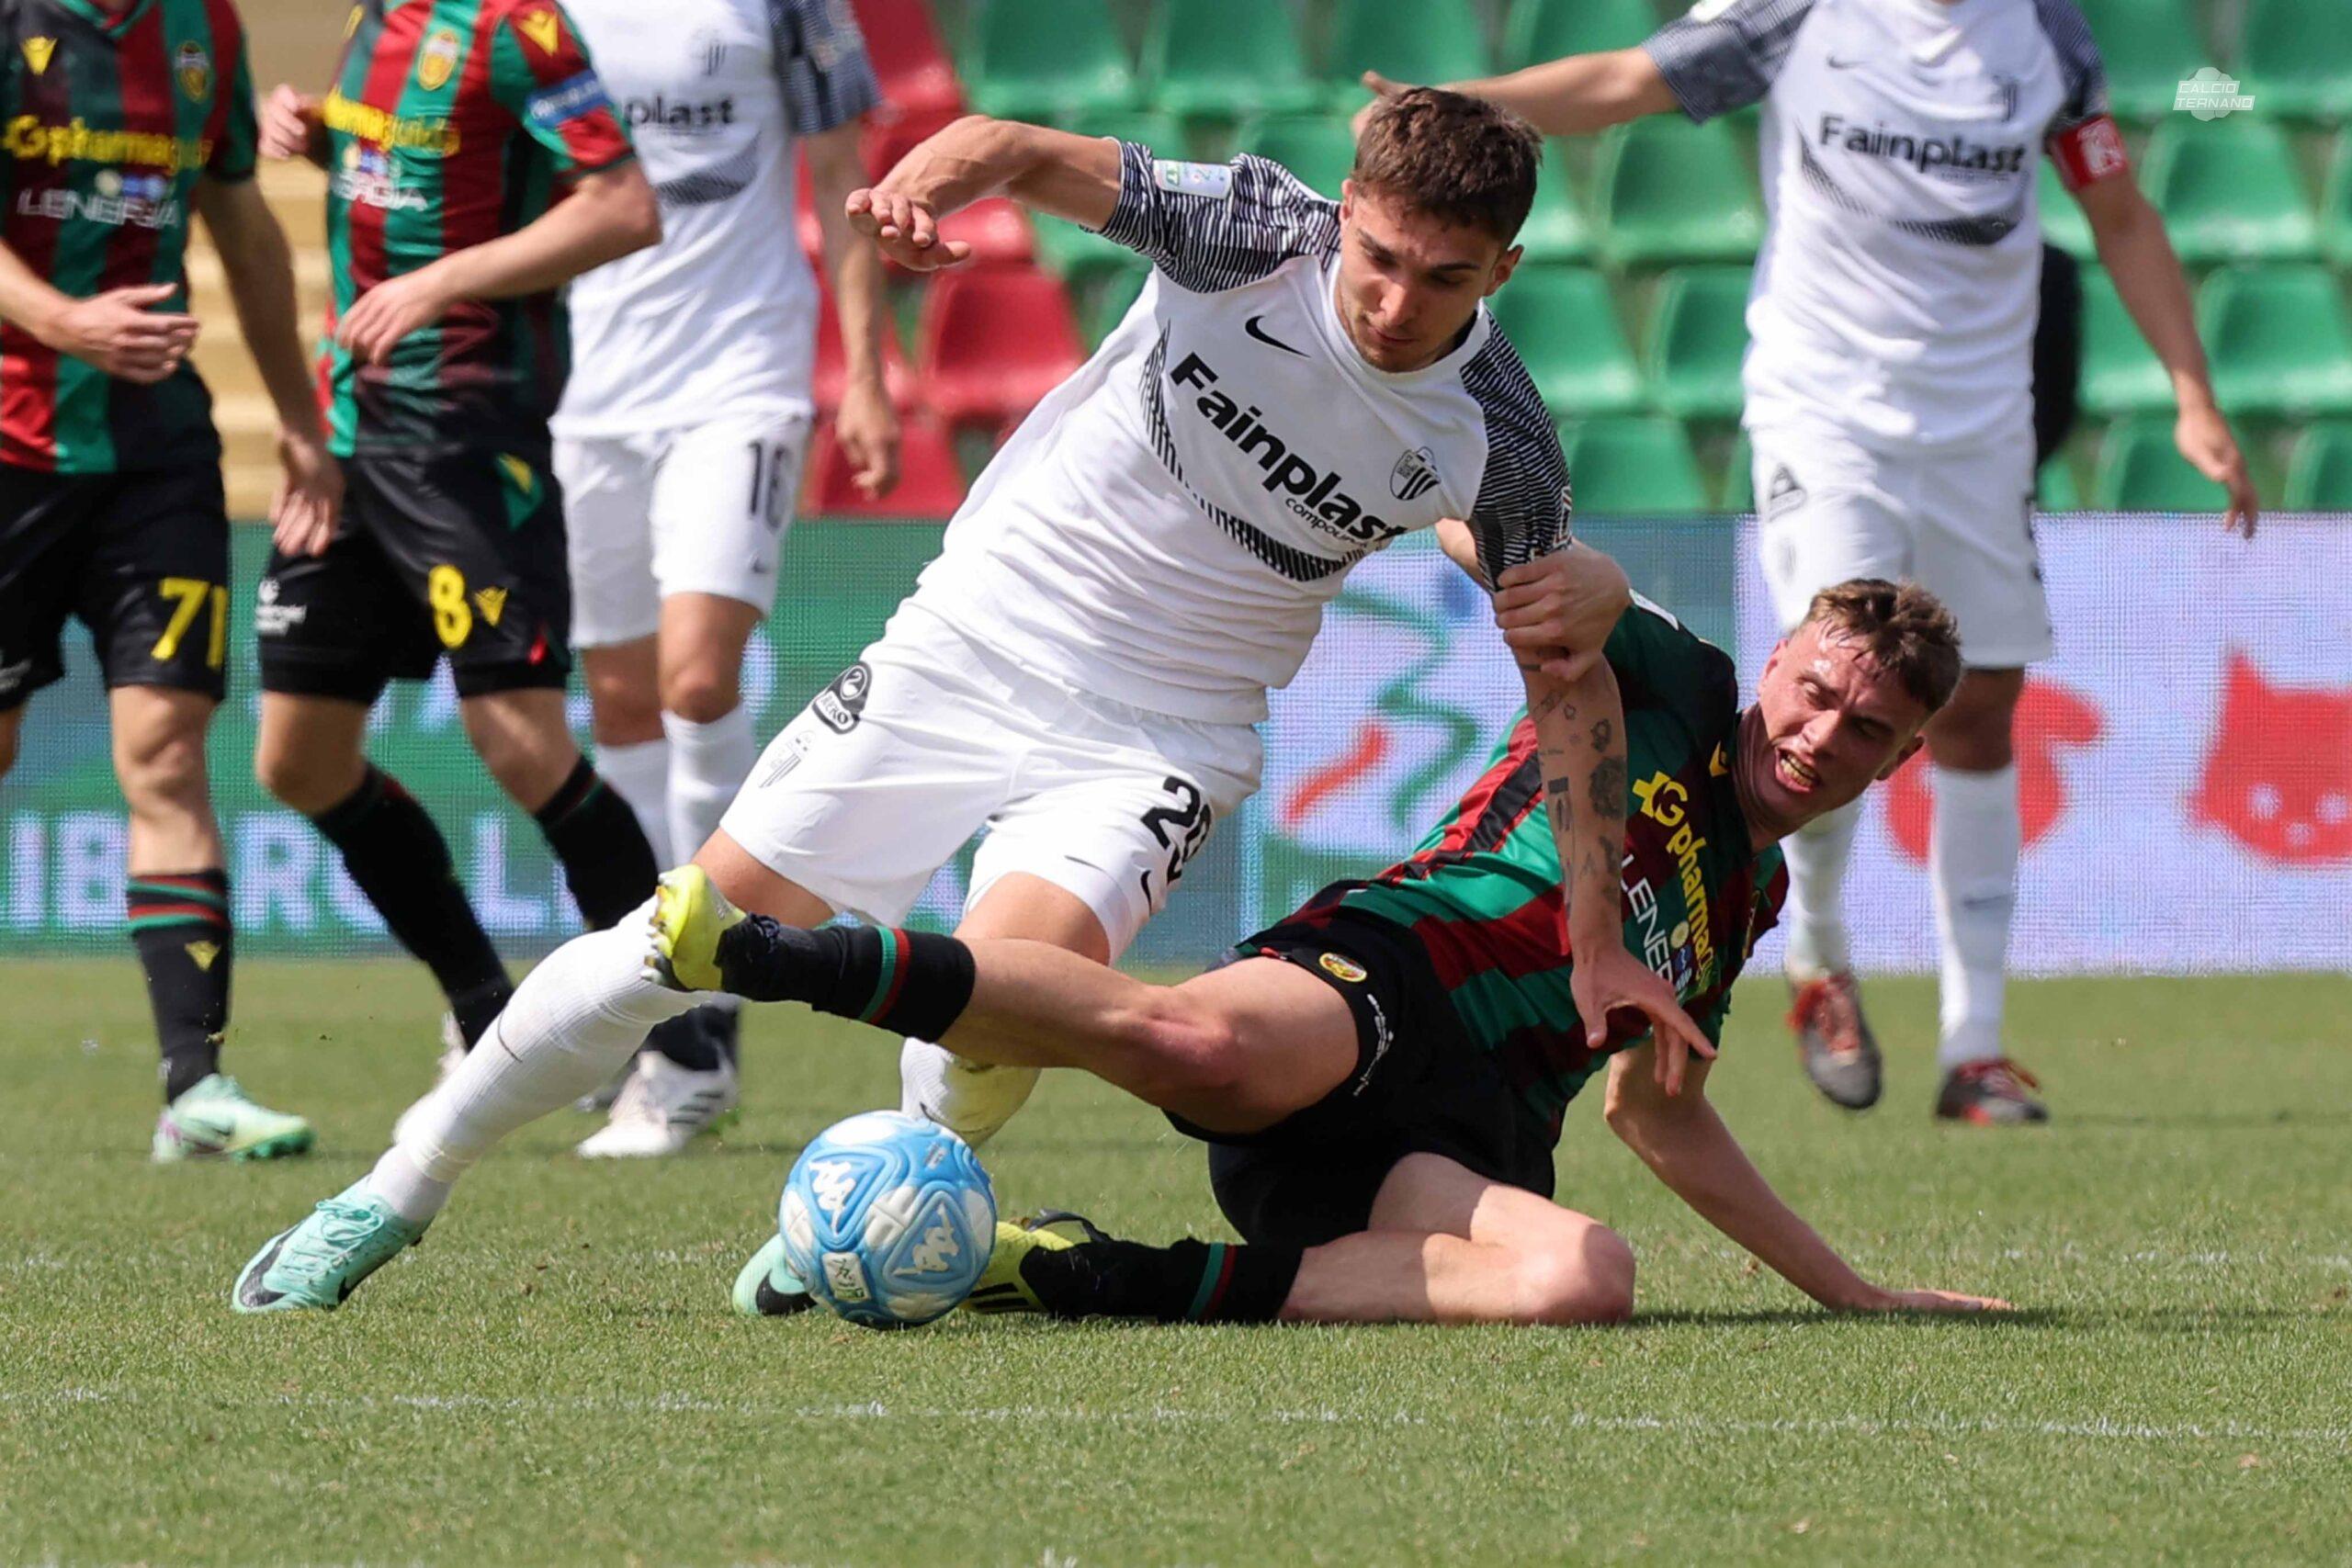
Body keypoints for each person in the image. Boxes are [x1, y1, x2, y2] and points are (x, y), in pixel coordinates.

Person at [230, 88, 1686, 1314]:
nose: (1392, 299)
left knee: (1009, 1004)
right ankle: (397, 1187)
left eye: (1442, 278)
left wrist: (1603, 936)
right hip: (971, 644)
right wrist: (922, 190)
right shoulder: (1251, 231)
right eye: (1377, 256)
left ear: (1499, 272)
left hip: (1164, 734)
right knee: (682, 939)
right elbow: (1009, 144)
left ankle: (857, 1222)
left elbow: (1563, 678)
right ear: (1346, 211)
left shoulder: (1498, 442)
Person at [1363, 0, 2258, 1123]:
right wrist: (1462, 111)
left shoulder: (2050, 37)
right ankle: (1820, 961)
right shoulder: (1799, 15)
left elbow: (2117, 212)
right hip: (1825, 411)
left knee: (1978, 709)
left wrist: (2190, 392)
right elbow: (1626, 82)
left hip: (1982, 426)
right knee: (1839, 688)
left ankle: (1974, 1045)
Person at [710, 581, 2005, 1325]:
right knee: (1193, 1041)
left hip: (1459, 1138)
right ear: (1776, 660)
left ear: (1896, 763)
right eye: (1818, 690)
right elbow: (1511, 553)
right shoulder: (1670, 674)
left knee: (1581, 1276)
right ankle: (767, 954)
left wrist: (1857, 1292)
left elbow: (1661, 1116)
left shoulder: (1755, 888)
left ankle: (1057, 1267)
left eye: (1865, 728)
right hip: (1397, 969)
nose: (1822, 731)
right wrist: (1561, 560)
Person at [248, 0, 664, 1092]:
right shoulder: (371, 20)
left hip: (466, 433)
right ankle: (485, 1007)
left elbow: (624, 207)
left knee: (519, 740)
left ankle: (661, 1030)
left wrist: (440, 279)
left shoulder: (519, 30)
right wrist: (318, 134)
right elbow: (420, 170)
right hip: (347, 436)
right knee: (297, 757)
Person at [553, 0, 900, 1157]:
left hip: (738, 376)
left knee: (696, 683)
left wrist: (862, 373)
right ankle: (646, 1012)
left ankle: (703, 1001)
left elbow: (846, 170)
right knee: (615, 706)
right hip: (586, 387)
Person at [0, 0, 339, 1157]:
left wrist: (300, 420)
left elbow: (242, 225)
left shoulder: (201, 28)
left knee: (165, 747)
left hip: (158, 458)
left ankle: (195, 1091)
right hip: (10, 448)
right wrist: (62, 321)